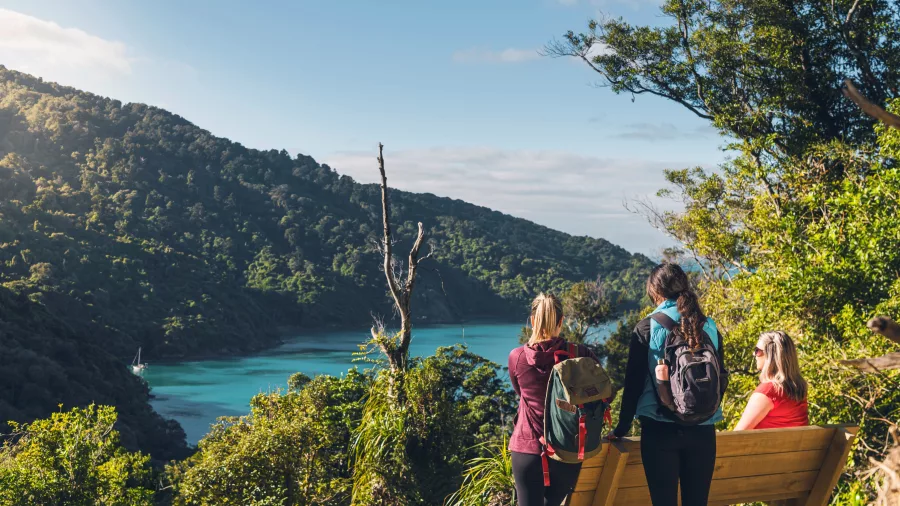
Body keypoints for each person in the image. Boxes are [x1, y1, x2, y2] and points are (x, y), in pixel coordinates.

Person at [609, 263, 723, 506]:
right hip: (703, 429)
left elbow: (633, 386)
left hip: (660, 429)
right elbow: (721, 378)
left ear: (655, 291)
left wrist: (621, 429)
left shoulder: (647, 327)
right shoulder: (709, 326)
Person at [508, 293, 600, 506]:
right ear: (561, 321)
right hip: (566, 451)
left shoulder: (517, 357)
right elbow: (604, 394)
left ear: (532, 321)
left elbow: (520, 393)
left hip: (527, 449)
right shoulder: (580, 354)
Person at [734, 331, 809, 430]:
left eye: (757, 350)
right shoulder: (798, 389)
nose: (754, 354)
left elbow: (737, 435)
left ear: (770, 355)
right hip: (799, 445)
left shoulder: (767, 392)